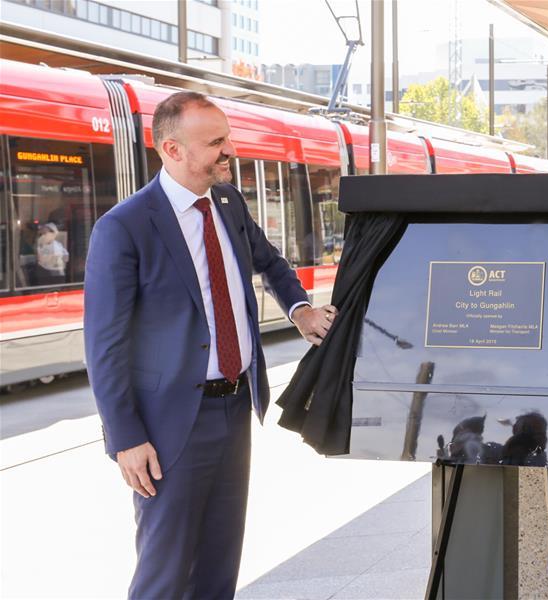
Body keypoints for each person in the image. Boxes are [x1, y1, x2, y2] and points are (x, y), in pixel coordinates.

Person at [84, 91, 337, 599]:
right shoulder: (124, 228)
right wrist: (126, 438)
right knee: (166, 571)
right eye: (216, 142)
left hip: (235, 406)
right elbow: (103, 345)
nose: (230, 151)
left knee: (220, 563)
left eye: (228, 138)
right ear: (172, 150)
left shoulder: (228, 201)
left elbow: (271, 263)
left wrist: (300, 309)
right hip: (169, 423)